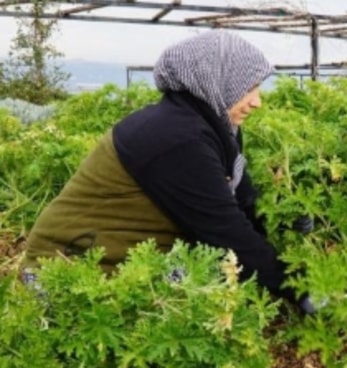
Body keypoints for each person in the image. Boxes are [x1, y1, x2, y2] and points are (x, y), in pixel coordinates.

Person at [21, 30, 322, 313]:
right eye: (248, 87)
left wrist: (281, 220)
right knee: (202, 297)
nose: (257, 101)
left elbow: (241, 202)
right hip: (65, 269)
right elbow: (227, 233)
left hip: (119, 257)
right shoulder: (177, 138)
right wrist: (300, 289)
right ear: (216, 80)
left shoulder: (215, 127)